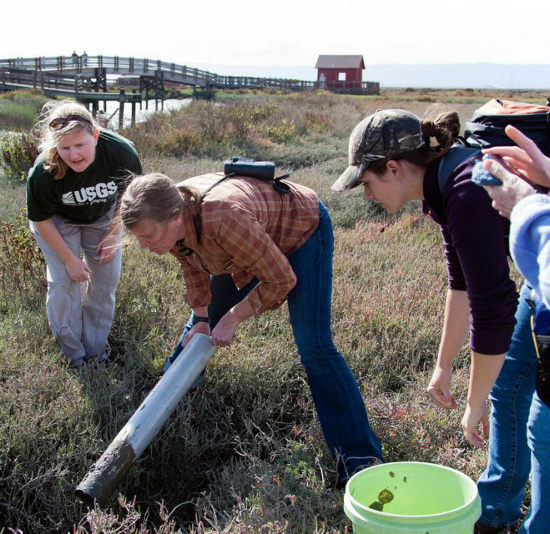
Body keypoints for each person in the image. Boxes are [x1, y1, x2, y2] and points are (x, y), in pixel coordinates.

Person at [331, 109, 546, 534]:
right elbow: (461, 282)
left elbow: (492, 307)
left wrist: (472, 402)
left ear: (393, 168)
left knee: (544, 423)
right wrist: (444, 364)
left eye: (367, 183)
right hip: (543, 273)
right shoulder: (443, 183)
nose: (366, 195)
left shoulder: (465, 190)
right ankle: (494, 511)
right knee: (508, 386)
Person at [119, 171, 383, 486]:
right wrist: (203, 320)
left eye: (147, 236)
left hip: (299, 230)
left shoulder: (223, 218)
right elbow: (192, 264)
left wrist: (233, 317)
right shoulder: (172, 218)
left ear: (176, 218)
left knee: (314, 345)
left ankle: (360, 463)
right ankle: (166, 428)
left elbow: (282, 279)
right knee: (195, 335)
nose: (144, 245)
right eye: (138, 237)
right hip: (247, 240)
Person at [27, 100, 142, 368]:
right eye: (65, 148)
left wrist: (114, 233)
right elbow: (40, 219)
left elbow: (130, 193)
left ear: (96, 135)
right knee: (65, 282)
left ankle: (95, 351)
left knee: (105, 279)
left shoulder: (120, 152)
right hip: (57, 221)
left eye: (80, 145)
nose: (74, 155)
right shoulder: (44, 171)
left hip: (103, 216)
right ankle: (72, 354)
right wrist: (70, 259)